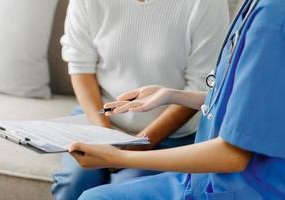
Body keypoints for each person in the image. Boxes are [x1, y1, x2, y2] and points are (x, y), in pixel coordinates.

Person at [68, 0, 285, 199]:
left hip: (240, 186)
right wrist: (173, 95)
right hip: (210, 177)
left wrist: (118, 157)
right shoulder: (256, 7)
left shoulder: (270, 20)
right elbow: (249, 101)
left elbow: (234, 154)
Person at [52, 0, 229, 199]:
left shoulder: (206, 4)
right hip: (99, 120)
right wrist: (104, 135)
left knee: (125, 187)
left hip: (171, 133)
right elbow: (80, 67)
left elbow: (202, 84)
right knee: (73, 182)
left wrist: (140, 144)